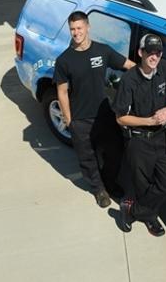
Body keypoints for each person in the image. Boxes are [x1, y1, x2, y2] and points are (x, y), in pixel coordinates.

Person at [113, 33, 166, 236]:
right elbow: (121, 118)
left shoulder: (165, 68)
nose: (154, 57)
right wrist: (149, 121)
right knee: (143, 187)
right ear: (141, 53)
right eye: (150, 52)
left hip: (160, 137)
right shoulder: (129, 80)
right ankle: (150, 217)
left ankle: (131, 210)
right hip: (138, 141)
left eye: (158, 53)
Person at [54, 11, 135, 208]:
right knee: (87, 159)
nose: (76, 33)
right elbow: (62, 92)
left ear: (88, 27)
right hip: (80, 120)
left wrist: (146, 75)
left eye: (79, 28)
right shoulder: (65, 60)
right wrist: (69, 120)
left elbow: (128, 65)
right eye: (72, 29)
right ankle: (99, 190)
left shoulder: (102, 51)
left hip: (104, 115)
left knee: (115, 151)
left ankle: (109, 182)